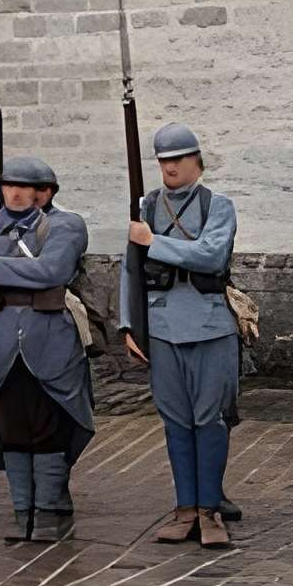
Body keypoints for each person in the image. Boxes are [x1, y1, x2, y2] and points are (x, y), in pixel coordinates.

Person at [0, 154, 98, 542]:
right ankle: (23, 512)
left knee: (49, 425)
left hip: (50, 340)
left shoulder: (66, 225)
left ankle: (50, 510)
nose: (15, 193)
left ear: (46, 192)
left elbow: (53, 270)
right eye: (8, 186)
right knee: (12, 428)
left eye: (25, 187)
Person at [123, 125, 242, 547]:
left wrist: (153, 241)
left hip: (210, 324)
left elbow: (211, 255)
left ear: (197, 162)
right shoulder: (146, 206)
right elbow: (130, 269)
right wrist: (130, 325)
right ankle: (185, 508)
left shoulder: (217, 205)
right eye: (163, 161)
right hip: (161, 326)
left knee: (209, 419)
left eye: (178, 159)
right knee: (175, 421)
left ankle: (209, 509)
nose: (170, 167)